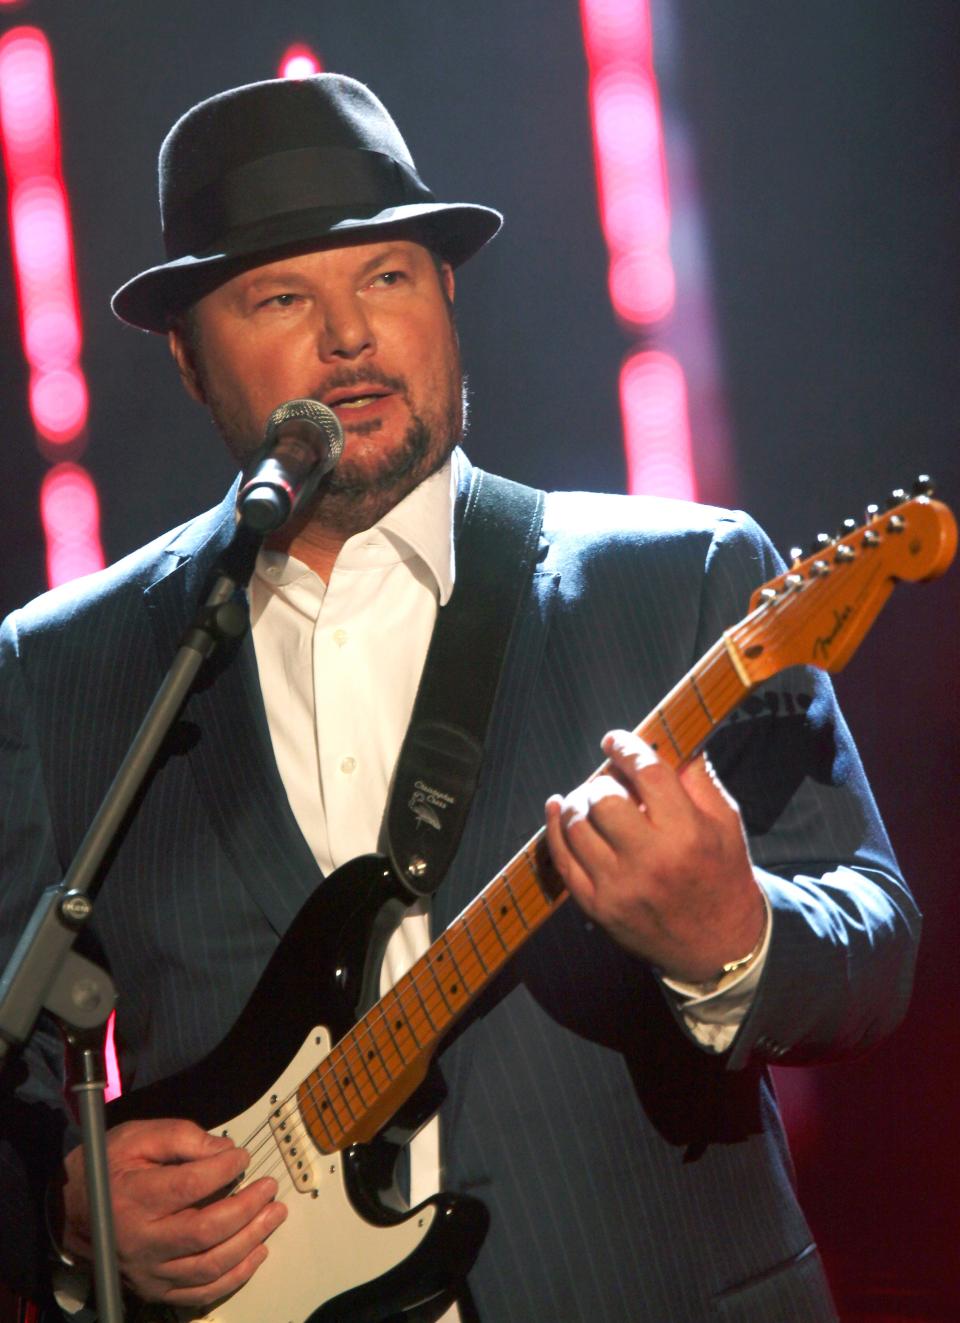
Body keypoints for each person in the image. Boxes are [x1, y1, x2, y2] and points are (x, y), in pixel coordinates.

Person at [0, 74, 918, 1323]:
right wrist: (62, 1196)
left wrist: (732, 937)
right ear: (185, 356)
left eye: (387, 277)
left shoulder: (683, 579)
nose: (351, 339)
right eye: (281, 297)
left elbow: (877, 946)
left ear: (445, 291)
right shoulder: (61, 666)